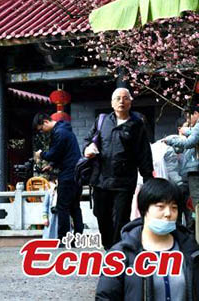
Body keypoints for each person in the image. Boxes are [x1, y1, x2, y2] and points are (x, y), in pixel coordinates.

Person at [96, 178, 199, 300]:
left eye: (174, 208)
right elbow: (106, 297)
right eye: (160, 206)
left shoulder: (190, 249)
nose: (168, 213)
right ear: (144, 209)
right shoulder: (122, 254)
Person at [84, 87, 154, 249]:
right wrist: (88, 148)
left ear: (130, 102)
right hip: (101, 179)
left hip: (124, 181)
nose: (121, 101)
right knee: (102, 216)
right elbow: (88, 140)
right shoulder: (101, 121)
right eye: (117, 98)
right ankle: (109, 246)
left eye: (125, 98)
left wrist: (148, 178)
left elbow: (144, 153)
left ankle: (118, 250)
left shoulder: (137, 125)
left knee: (121, 218)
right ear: (112, 102)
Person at [33, 112, 84, 242]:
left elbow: (54, 153)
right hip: (76, 173)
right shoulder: (64, 130)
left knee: (62, 207)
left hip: (68, 174)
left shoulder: (59, 133)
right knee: (74, 207)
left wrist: (41, 154)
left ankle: (63, 239)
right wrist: (52, 165)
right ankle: (77, 238)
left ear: (45, 122)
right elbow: (63, 153)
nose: (43, 132)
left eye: (41, 129)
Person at [162, 104, 199, 235]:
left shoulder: (196, 128)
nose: (188, 122)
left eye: (188, 117)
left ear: (196, 114)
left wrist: (171, 140)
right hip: (184, 180)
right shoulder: (192, 131)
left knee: (195, 207)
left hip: (192, 175)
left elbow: (189, 142)